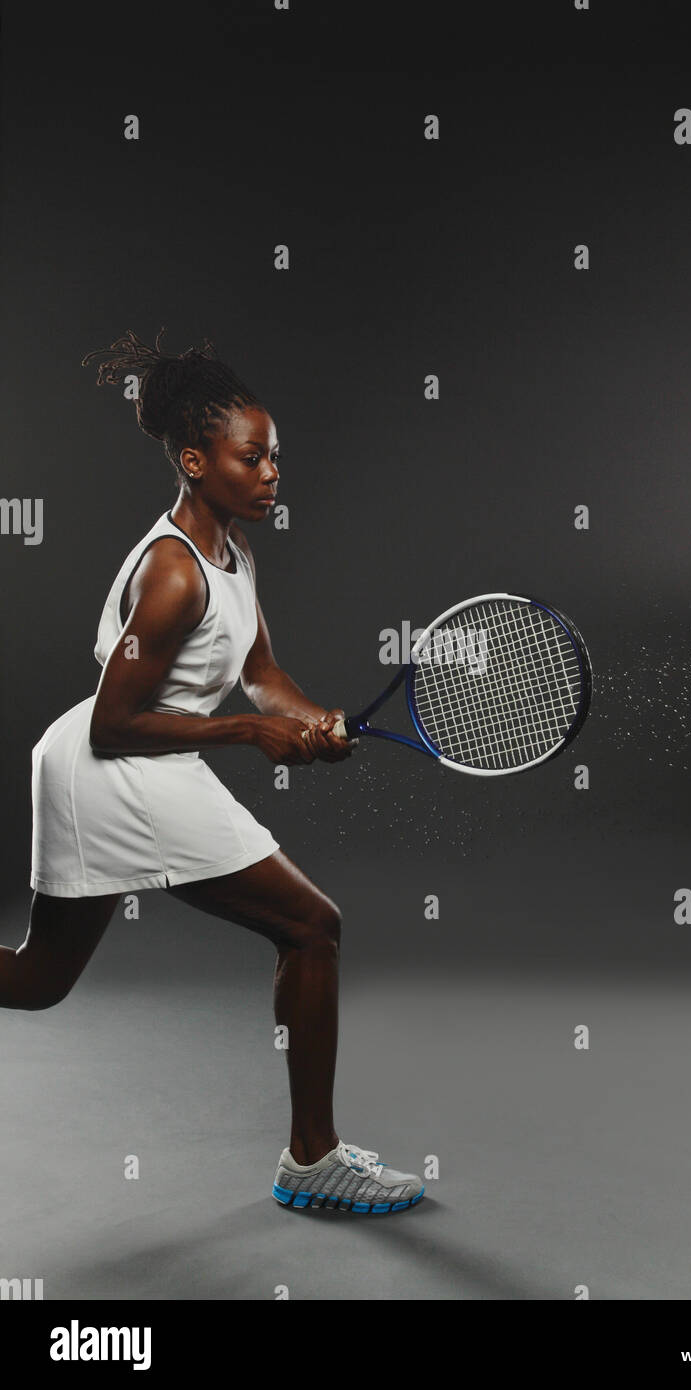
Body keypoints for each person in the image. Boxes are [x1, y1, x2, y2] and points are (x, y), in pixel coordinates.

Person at [0, 328, 424, 1216]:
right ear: (195, 461)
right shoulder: (174, 574)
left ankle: (311, 1157)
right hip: (113, 769)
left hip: (137, 759)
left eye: (275, 456)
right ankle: (313, 1160)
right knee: (312, 927)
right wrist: (249, 737)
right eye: (252, 457)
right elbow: (118, 724)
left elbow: (265, 677)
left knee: (38, 982)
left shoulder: (234, 556)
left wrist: (314, 723)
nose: (273, 472)